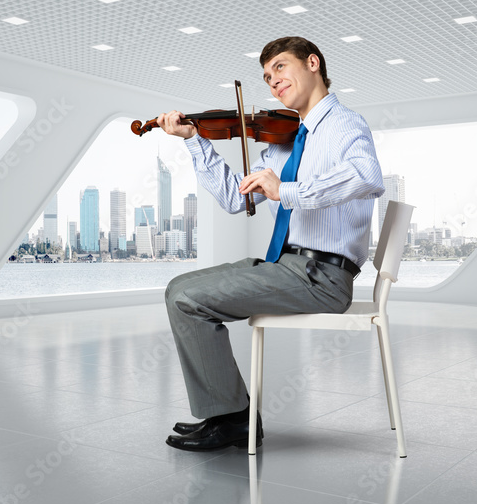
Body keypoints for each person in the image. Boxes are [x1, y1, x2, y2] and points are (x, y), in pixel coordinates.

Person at [156, 36, 384, 451]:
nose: (272, 81)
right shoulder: (284, 140)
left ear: (312, 63)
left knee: (187, 297)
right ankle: (228, 414)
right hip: (288, 267)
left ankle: (232, 419)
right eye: (266, 75)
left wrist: (289, 191)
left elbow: (367, 176)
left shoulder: (344, 124)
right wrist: (194, 139)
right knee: (178, 290)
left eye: (280, 67)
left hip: (322, 276)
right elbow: (233, 197)